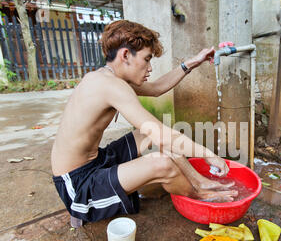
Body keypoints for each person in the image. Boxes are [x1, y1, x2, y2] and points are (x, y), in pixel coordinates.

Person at [51, 20, 238, 223]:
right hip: (78, 185)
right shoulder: (110, 85)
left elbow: (157, 88)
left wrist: (194, 61)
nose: (149, 68)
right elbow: (163, 136)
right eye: (147, 59)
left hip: (96, 162)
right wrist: (208, 154)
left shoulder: (109, 78)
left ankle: (200, 182)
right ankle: (201, 196)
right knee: (162, 163)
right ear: (125, 55)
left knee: (147, 136)